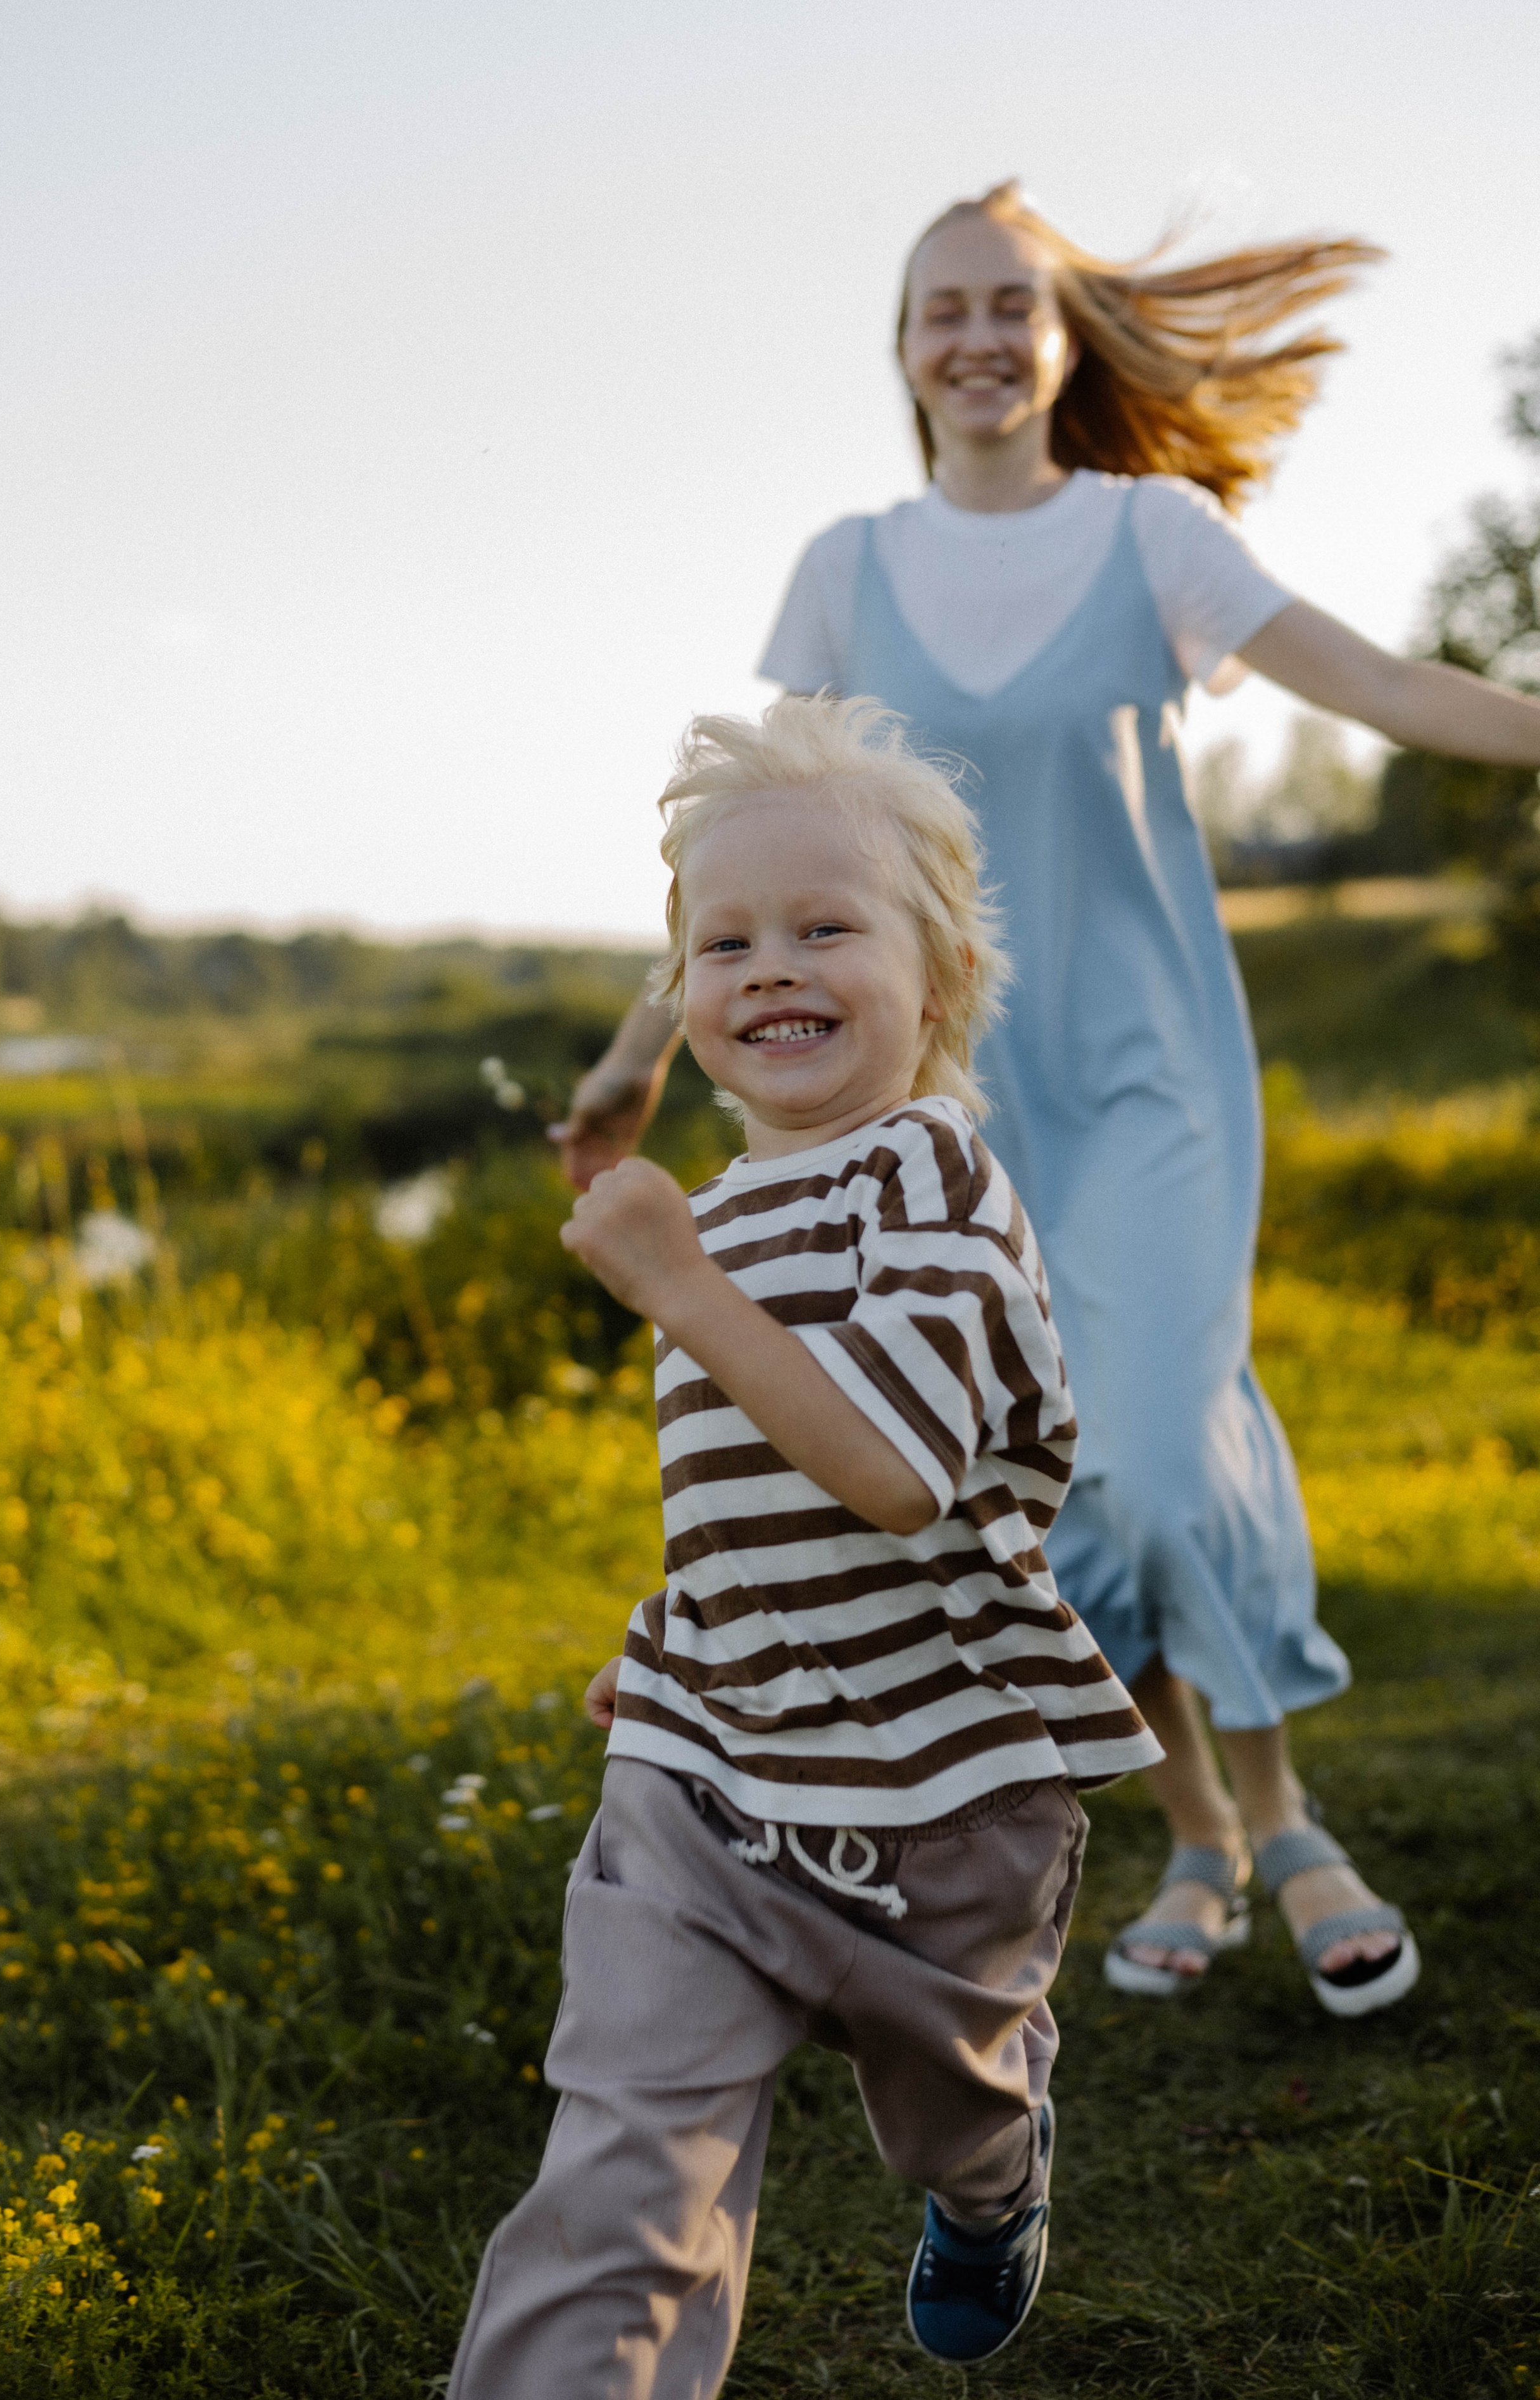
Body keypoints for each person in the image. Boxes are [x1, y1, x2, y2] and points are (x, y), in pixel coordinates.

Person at [553, 182, 1540, 2014]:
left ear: (1068, 338)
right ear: (903, 347)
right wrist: (637, 1055)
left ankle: (1288, 1819)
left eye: (1014, 302)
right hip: (939, 1107)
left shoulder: (1152, 533)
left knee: (1162, 1446)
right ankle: (1199, 1834)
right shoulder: (848, 568)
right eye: (945, 307)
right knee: (1040, 1478)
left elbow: (1383, 683)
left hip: (1156, 1073)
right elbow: (752, 849)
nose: (980, 336)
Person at [449, 695, 1163, 2396]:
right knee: (623, 2170)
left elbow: (893, 1472)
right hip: (705, 1778)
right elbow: (746, 1490)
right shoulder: (717, 1212)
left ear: (943, 976)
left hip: (942, 1803)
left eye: (826, 928)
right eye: (727, 941)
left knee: (950, 2116)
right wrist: (687, 1635)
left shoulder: (934, 1186)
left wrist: (677, 1285)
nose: (771, 967)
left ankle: (996, 2182)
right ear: (686, 991)